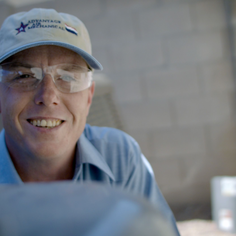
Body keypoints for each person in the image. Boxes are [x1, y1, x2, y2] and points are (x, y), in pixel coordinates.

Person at [0, 8, 180, 235]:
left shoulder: (120, 157)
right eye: (24, 76)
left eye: (68, 77)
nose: (47, 96)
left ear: (88, 96)